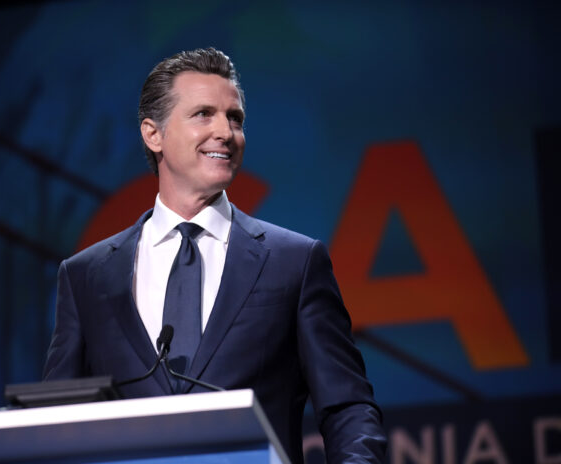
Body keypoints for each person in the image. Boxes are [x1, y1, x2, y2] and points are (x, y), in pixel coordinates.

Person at [43, 47, 386, 463]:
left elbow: (347, 407)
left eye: (235, 118)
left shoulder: (294, 261)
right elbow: (55, 423)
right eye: (204, 114)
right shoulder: (86, 276)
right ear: (154, 135)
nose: (225, 131)